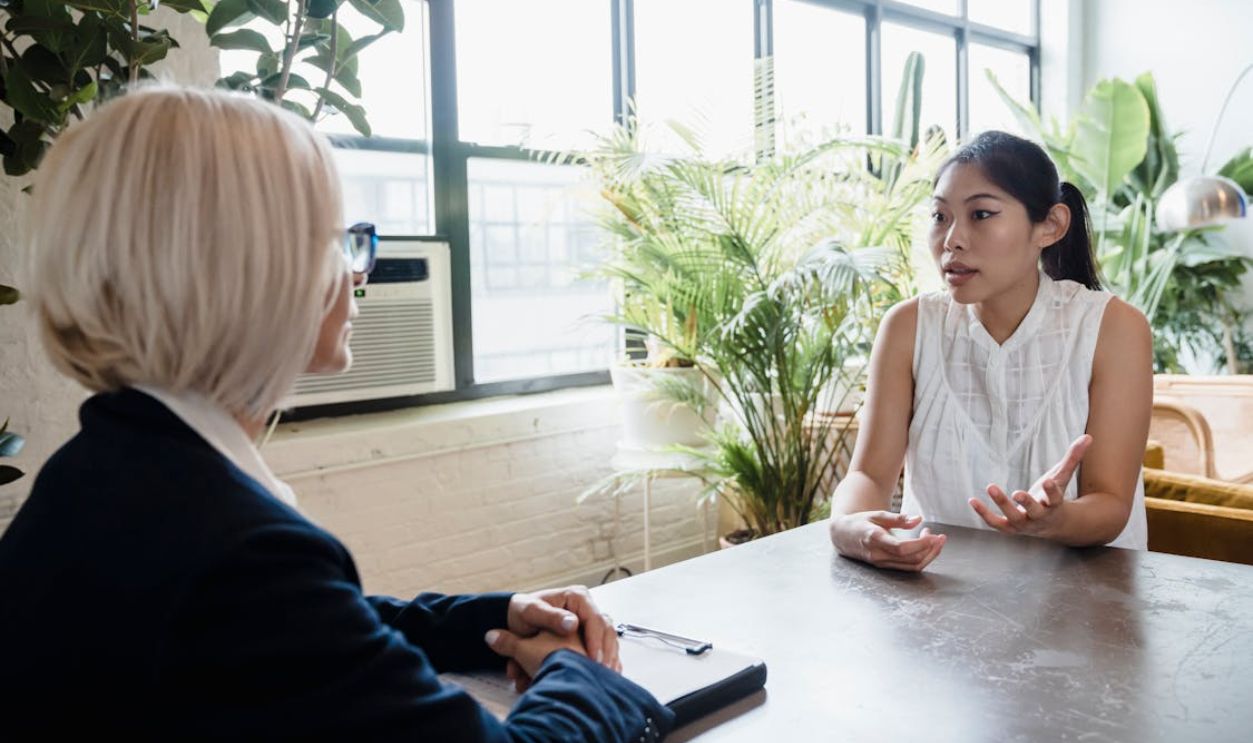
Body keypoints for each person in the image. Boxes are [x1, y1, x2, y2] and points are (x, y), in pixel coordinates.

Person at [0, 86, 673, 741]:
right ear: (252, 270)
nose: (358, 272)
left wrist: (490, 617)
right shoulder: (243, 555)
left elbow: (305, 633)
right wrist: (581, 673)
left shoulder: (103, 471)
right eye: (339, 238)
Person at [828, 130, 1153, 571]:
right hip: (941, 597)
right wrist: (851, 526)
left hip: (1084, 609)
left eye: (981, 214)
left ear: (1051, 225)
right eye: (939, 217)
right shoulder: (908, 327)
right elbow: (867, 474)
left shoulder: (1114, 327)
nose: (951, 240)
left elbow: (1111, 504)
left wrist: (1054, 520)